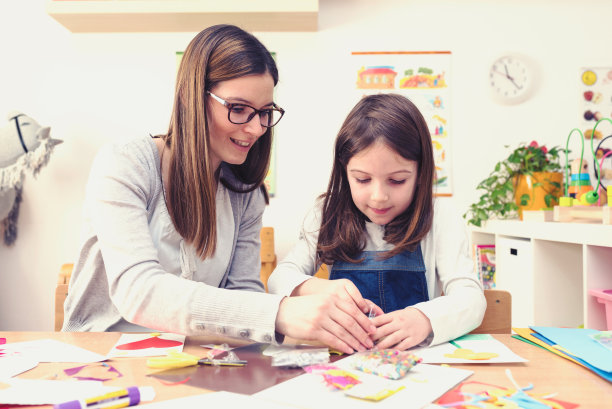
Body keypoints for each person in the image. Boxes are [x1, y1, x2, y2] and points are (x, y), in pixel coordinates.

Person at [62, 24, 375, 354]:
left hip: (195, 359)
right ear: (194, 98)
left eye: (265, 113)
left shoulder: (245, 193)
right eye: (238, 109)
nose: (256, 128)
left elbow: (244, 294)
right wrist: (280, 312)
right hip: (102, 356)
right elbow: (138, 291)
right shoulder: (125, 165)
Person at [268, 93, 486, 350]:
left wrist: (425, 319)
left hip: (415, 365)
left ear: (420, 173)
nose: (379, 197)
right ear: (344, 171)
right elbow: (278, 279)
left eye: (397, 181)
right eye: (362, 179)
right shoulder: (326, 213)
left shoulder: (440, 216)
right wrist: (315, 287)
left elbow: (471, 298)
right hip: (343, 362)